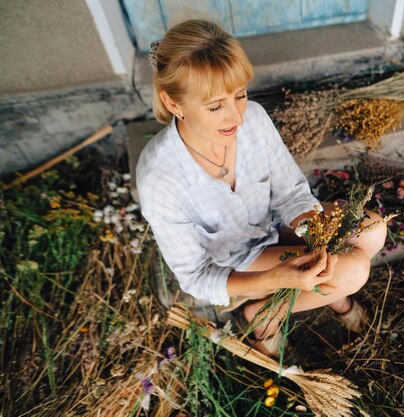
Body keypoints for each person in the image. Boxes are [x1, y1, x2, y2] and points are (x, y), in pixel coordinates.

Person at [136, 19, 387, 357]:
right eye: (215, 106)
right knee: (354, 270)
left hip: (278, 224)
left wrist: (316, 233)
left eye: (239, 95)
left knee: (373, 230)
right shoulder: (160, 180)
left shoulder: (253, 118)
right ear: (174, 104)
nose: (237, 118)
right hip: (241, 258)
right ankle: (266, 313)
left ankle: (330, 287)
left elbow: (290, 192)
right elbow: (197, 277)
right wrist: (278, 280)